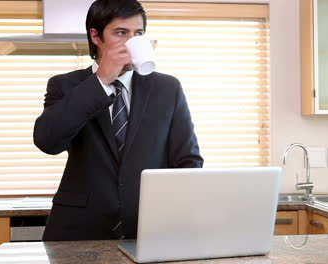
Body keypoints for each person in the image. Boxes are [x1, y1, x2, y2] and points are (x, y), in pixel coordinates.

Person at [33, 0, 203, 241]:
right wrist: (101, 80)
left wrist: (177, 215)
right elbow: (47, 141)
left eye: (138, 34)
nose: (131, 42)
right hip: (79, 230)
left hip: (151, 229)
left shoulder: (167, 88)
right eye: (121, 33)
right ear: (96, 36)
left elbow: (188, 161)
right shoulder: (65, 85)